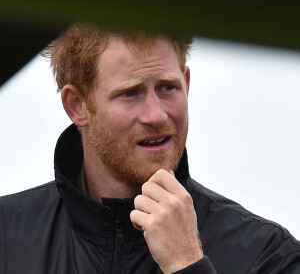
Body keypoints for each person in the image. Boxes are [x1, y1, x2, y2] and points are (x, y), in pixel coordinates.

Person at [0, 24, 299, 274]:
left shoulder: (268, 255)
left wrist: (187, 264)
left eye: (168, 87)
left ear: (187, 82)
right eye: (130, 93)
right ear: (77, 106)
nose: (156, 115)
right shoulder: (6, 237)